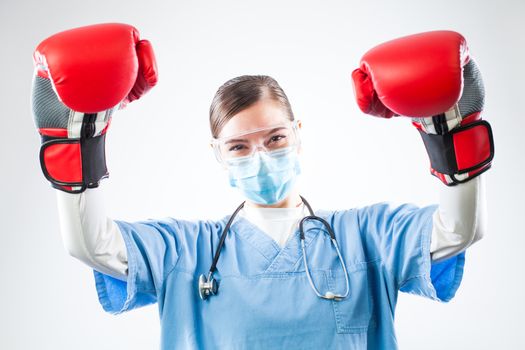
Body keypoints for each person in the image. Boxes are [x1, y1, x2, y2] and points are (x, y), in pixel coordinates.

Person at [32, 24, 493, 349]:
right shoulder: (185, 249)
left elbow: (457, 231)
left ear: (297, 132)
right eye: (238, 147)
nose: (260, 156)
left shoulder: (367, 235)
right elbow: (90, 245)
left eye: (275, 138)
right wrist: (78, 144)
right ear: (217, 153)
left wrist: (449, 137)